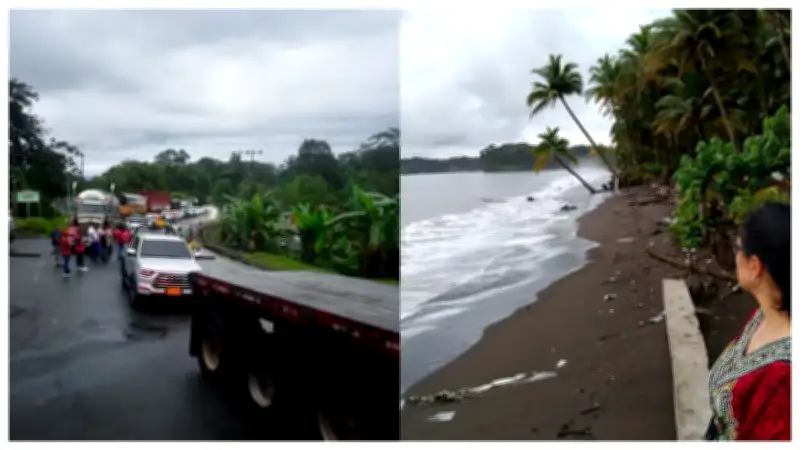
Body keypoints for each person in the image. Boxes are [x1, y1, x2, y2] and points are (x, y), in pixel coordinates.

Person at [706, 202, 790, 441]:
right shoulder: (765, 314)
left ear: (755, 266)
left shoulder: (783, 378)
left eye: (739, 248)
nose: (735, 255)